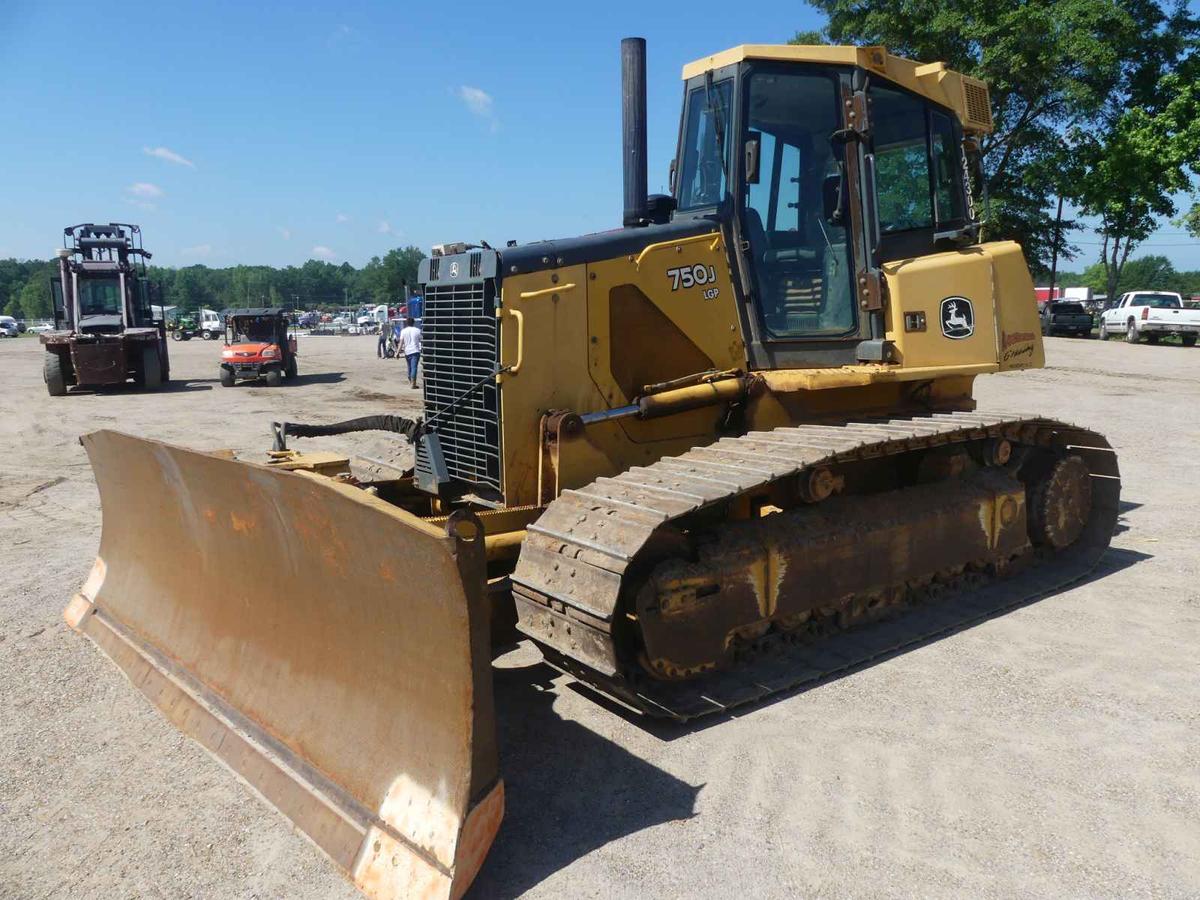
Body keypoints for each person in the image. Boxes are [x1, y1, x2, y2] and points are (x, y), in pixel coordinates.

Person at [398, 316, 421, 389]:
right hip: (415, 351)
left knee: (409, 367)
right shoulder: (417, 330)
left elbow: (401, 342)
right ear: (413, 323)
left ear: (406, 323)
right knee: (414, 367)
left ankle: (410, 380)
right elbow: (422, 340)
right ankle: (413, 383)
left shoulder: (403, 331)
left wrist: (397, 352)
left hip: (407, 351)